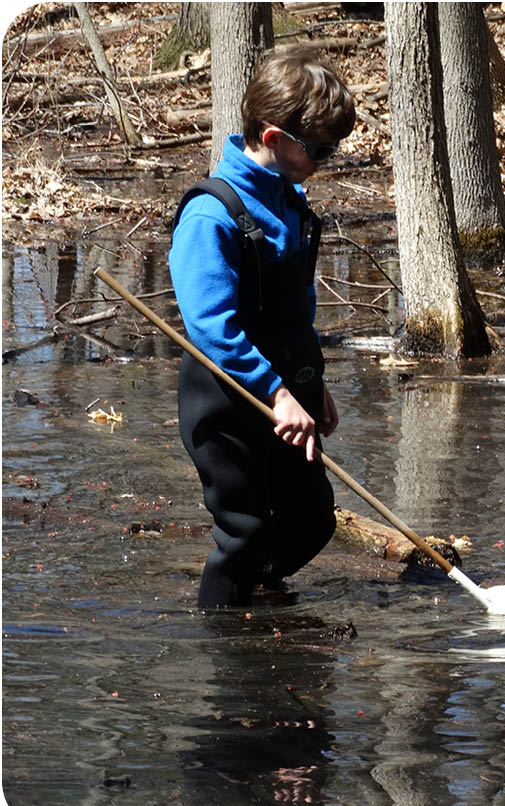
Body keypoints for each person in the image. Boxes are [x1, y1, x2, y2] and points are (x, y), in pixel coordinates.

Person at [169, 47, 355, 608]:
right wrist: (275, 392)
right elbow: (211, 326)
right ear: (274, 138)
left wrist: (308, 381)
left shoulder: (292, 204)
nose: (325, 160)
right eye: (318, 149)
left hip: (287, 392)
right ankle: (226, 647)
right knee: (244, 532)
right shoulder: (211, 215)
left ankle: (250, 602)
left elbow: (297, 305)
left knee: (313, 520)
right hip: (226, 400)